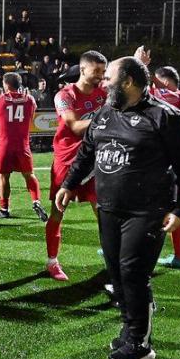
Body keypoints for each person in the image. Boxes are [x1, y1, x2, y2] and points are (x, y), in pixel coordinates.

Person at [55, 55, 180, 359]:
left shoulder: (166, 117)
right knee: (117, 273)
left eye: (108, 78)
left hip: (147, 211)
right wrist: (69, 184)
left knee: (133, 273)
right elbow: (87, 152)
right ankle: (130, 328)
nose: (103, 83)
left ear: (128, 82)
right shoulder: (107, 111)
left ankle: (140, 343)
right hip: (109, 209)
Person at [44, 51, 108, 281]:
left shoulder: (105, 93)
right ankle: (52, 262)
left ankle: (112, 261)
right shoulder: (65, 94)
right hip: (67, 160)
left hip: (96, 161)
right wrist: (107, 118)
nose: (101, 76)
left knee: (103, 213)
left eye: (103, 71)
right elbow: (73, 126)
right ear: (82, 70)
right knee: (58, 211)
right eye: (96, 71)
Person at [0, 72, 48, 221]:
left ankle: (4, 209)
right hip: (22, 144)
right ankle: (36, 201)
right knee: (29, 174)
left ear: (6, 84)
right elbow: (31, 117)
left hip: (4, 144)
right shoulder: (30, 99)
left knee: (3, 177)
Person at [149, 65, 180, 269]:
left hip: (165, 161)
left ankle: (126, 248)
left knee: (162, 207)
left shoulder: (177, 96)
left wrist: (144, 67)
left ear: (164, 82)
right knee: (173, 207)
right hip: (171, 159)